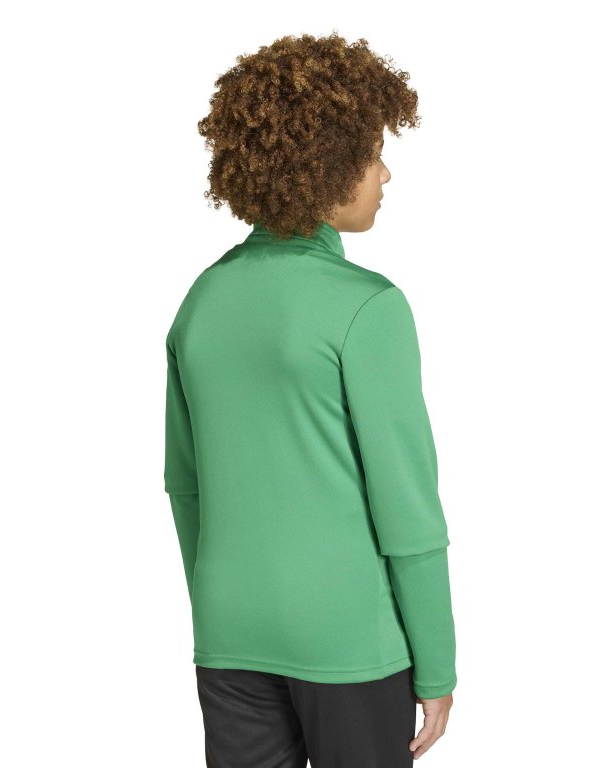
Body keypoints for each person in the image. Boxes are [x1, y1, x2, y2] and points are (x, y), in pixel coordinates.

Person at [165, 31, 456, 766]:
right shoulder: (369, 306)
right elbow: (407, 508)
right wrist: (437, 664)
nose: (385, 173)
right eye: (372, 154)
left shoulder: (201, 300)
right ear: (325, 164)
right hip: (347, 639)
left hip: (228, 633)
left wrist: (219, 606)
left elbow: (186, 486)